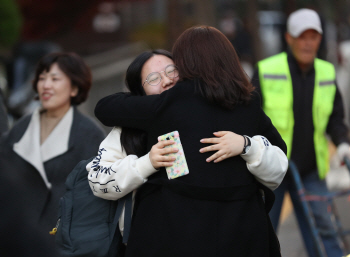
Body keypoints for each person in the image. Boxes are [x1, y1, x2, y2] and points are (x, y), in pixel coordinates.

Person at [93, 26, 287, 257]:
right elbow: (280, 149)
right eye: (153, 78)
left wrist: (138, 98)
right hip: (244, 231)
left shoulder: (166, 104)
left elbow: (104, 107)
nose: (165, 81)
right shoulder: (248, 102)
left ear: (184, 65)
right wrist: (247, 144)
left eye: (171, 70)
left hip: (173, 232)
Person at [251, 8, 350, 257]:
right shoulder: (266, 70)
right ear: (289, 38)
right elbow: (249, 117)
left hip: (309, 170)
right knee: (262, 230)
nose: (308, 43)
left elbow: (335, 117)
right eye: (302, 37)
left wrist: (342, 142)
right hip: (271, 170)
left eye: (313, 37)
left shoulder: (326, 73)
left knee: (324, 231)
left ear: (319, 38)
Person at [0, 52, 105, 254]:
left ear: (74, 88)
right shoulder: (21, 127)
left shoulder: (90, 135)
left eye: (55, 79)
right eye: (42, 78)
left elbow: (93, 206)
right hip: (17, 239)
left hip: (63, 245)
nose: (46, 85)